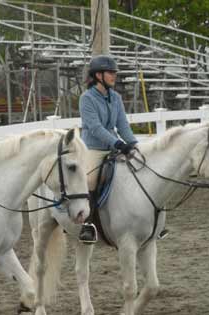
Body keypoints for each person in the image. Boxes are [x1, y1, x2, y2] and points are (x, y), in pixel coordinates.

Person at [78, 55, 139, 243]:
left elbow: (123, 125)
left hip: (113, 147)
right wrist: (118, 144)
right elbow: (95, 128)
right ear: (98, 75)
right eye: (110, 73)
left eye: (114, 73)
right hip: (93, 149)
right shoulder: (86, 98)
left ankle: (143, 220)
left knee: (137, 170)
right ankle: (88, 224)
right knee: (89, 179)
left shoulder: (116, 98)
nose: (114, 76)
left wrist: (134, 145)